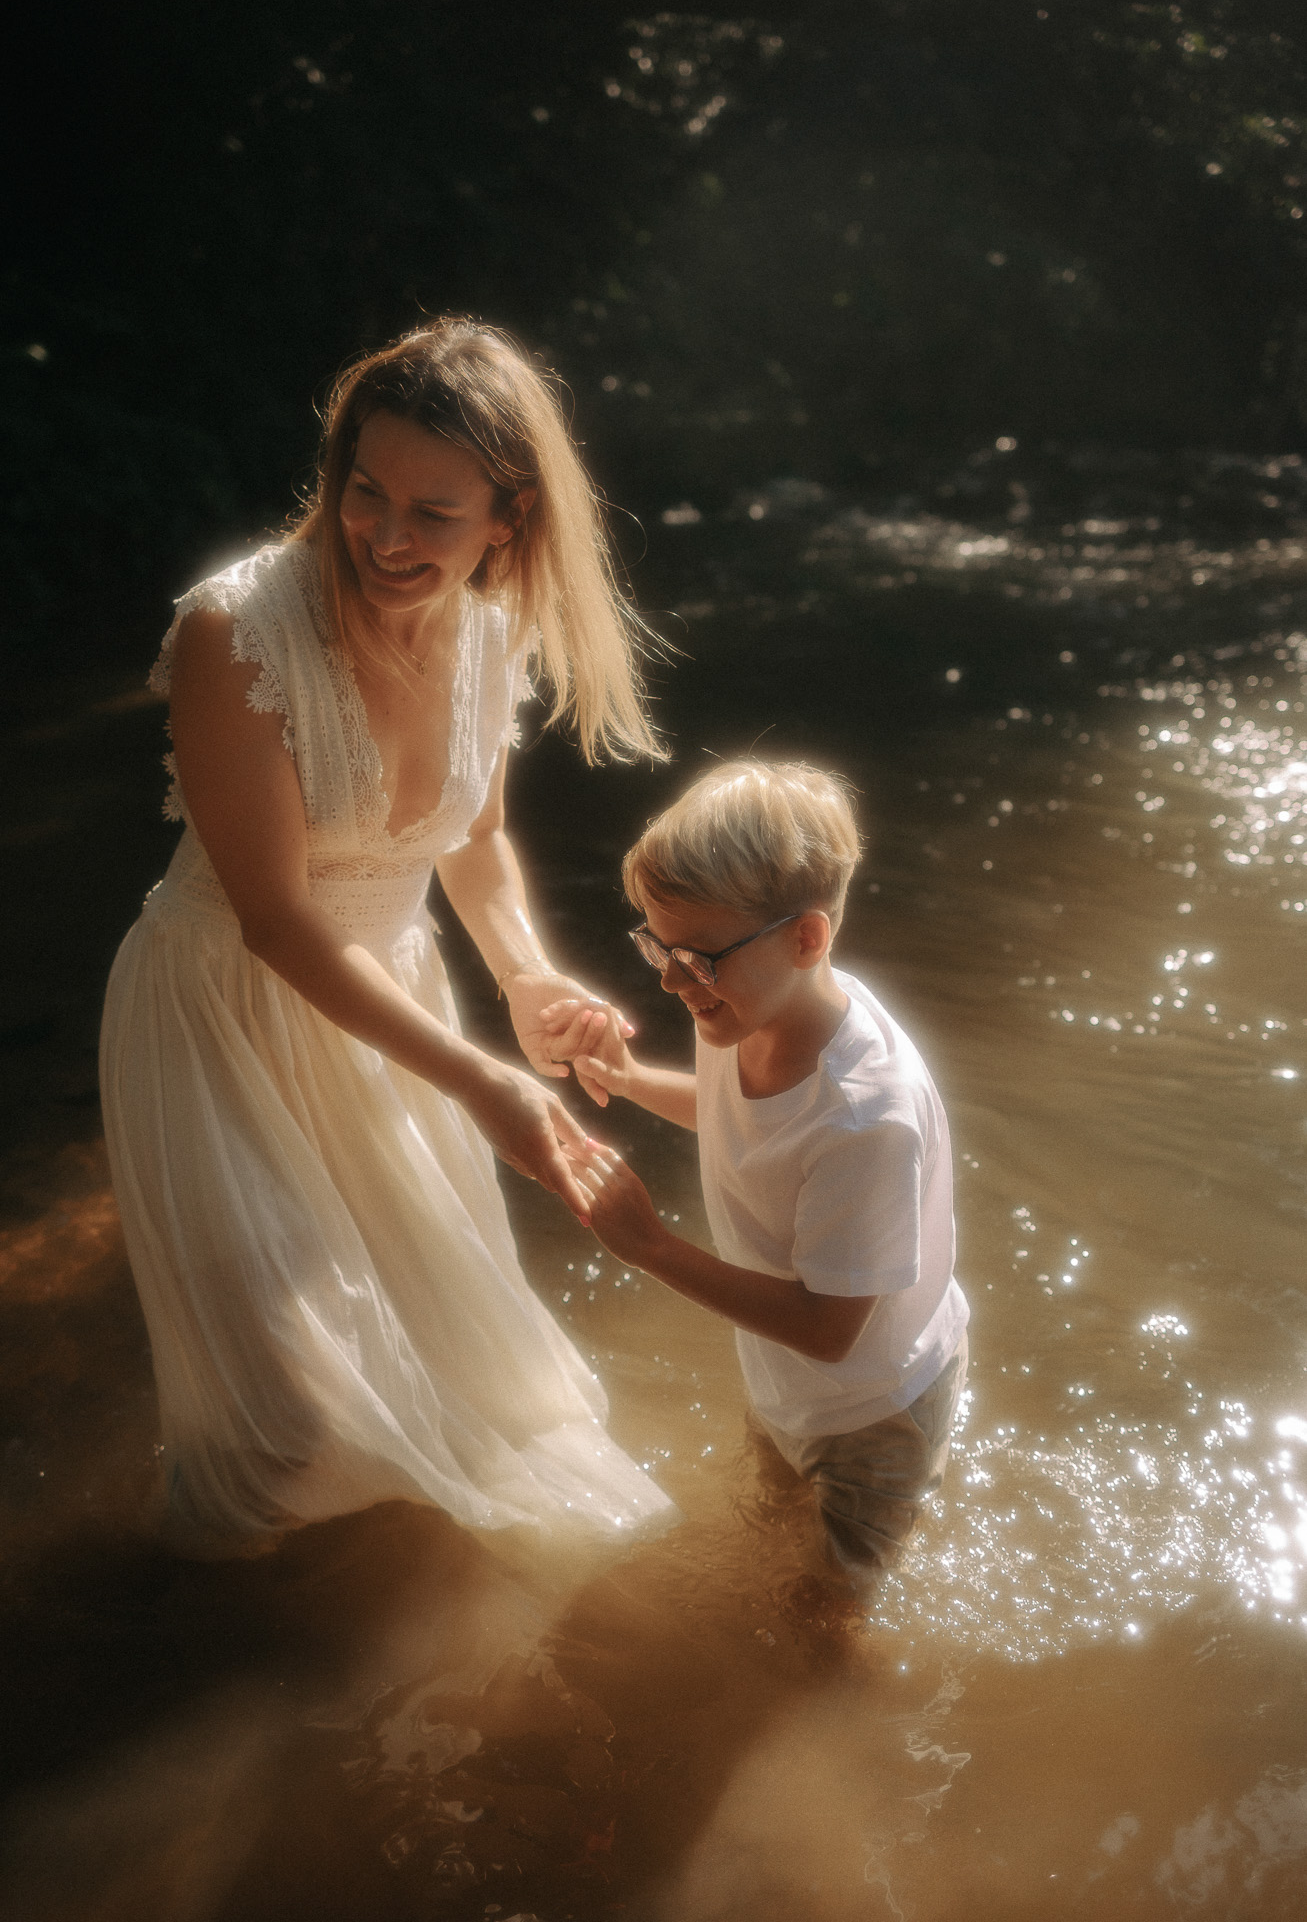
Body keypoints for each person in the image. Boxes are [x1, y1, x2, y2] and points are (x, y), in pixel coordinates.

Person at [99, 318, 676, 1557]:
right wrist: (482, 1080)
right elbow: (275, 919)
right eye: (365, 491)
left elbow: (472, 838)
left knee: (446, 1361)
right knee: (290, 1418)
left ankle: (398, 1614)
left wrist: (523, 977)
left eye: (434, 513)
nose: (387, 537)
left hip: (393, 1010)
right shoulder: (237, 633)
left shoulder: (490, 629)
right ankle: (212, 1622)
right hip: (221, 1011)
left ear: (509, 520)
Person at [541, 760, 969, 1587]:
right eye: (656, 946)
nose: (670, 980)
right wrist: (630, 1081)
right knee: (766, 1533)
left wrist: (652, 1248)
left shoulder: (865, 1119)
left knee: (825, 1615)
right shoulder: (746, 1009)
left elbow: (828, 1330)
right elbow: (743, 1119)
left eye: (695, 958)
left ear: (806, 938)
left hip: (874, 1407)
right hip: (787, 1380)